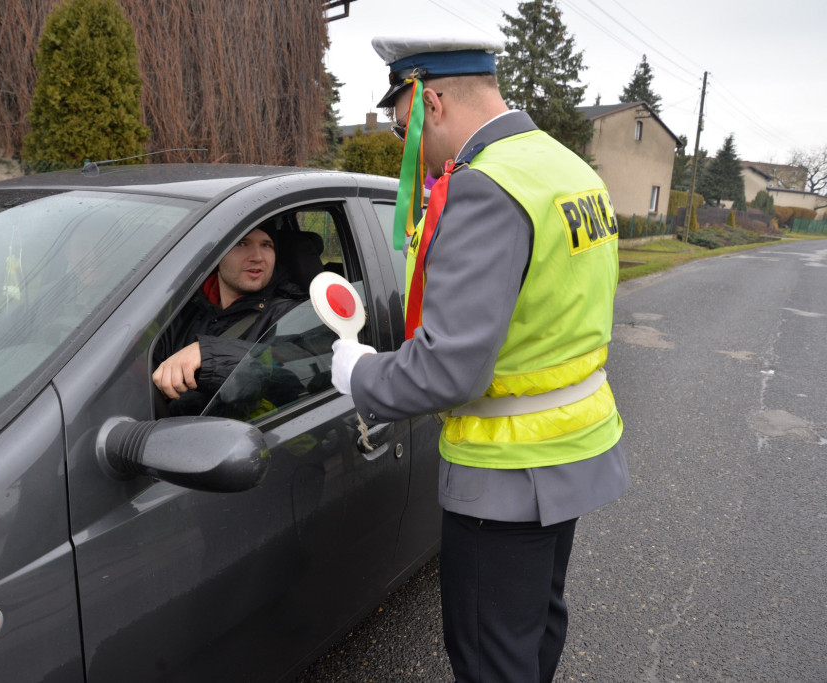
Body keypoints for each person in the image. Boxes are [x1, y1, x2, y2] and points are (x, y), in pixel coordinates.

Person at [330, 36, 630, 682]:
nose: (414, 146)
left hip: (505, 475)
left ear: (432, 101)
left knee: (490, 657)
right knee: (534, 632)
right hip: (571, 452)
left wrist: (358, 373)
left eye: (406, 125)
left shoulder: (484, 187)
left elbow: (449, 369)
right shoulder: (569, 170)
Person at [152, 226, 307, 416]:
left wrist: (209, 354)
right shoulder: (181, 308)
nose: (257, 256)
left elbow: (291, 382)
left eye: (267, 245)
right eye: (241, 243)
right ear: (217, 253)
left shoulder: (293, 314)